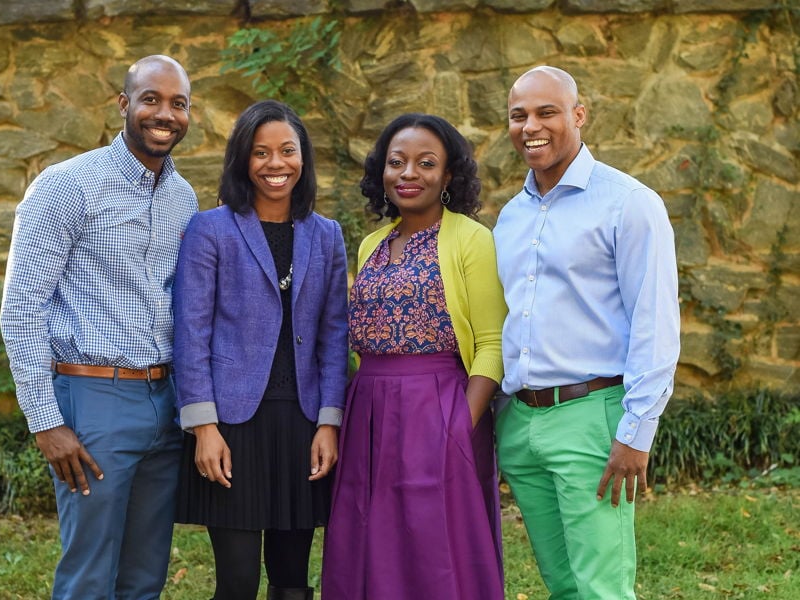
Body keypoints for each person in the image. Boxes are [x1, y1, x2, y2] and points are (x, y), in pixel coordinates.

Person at [0, 55, 197, 599]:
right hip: (93, 400)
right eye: (151, 99)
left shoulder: (185, 199)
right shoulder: (66, 186)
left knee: (144, 575)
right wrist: (46, 421)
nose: (165, 113)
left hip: (165, 402)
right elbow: (21, 309)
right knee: (89, 576)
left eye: (178, 103)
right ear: (123, 104)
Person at [493, 66, 680, 599]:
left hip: (592, 421)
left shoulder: (629, 203)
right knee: (563, 586)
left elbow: (655, 322)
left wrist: (635, 432)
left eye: (546, 112)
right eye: (519, 115)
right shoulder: (510, 217)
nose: (531, 125)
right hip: (522, 424)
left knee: (601, 590)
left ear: (579, 115)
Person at [321, 114, 506, 600]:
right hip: (370, 409)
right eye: (396, 162)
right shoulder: (371, 245)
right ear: (382, 172)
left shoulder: (471, 239)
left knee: (437, 539)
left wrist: (459, 425)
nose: (409, 174)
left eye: (426, 163)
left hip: (441, 403)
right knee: (369, 533)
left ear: (448, 176)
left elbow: (491, 343)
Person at [172, 99, 348, 600]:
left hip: (302, 424)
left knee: (293, 580)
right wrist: (203, 426)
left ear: (303, 158)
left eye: (287, 151)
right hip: (231, 426)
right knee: (237, 580)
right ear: (242, 161)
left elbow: (334, 336)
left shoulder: (327, 235)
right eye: (261, 153)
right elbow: (191, 332)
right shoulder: (211, 230)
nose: (276, 164)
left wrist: (329, 423)